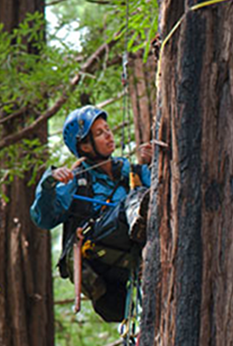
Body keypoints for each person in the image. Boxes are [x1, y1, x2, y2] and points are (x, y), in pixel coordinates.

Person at [31, 104, 152, 321]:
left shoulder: (130, 172)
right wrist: (49, 182)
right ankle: (139, 226)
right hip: (99, 245)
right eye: (99, 133)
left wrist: (156, 163)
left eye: (107, 129)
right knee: (135, 200)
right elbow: (44, 217)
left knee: (141, 194)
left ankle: (143, 238)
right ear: (85, 147)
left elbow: (164, 189)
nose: (108, 135)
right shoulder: (76, 179)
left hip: (127, 248)